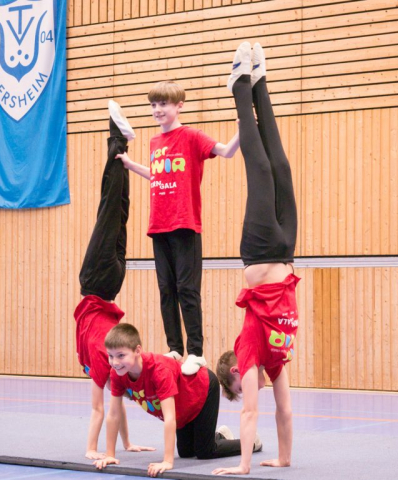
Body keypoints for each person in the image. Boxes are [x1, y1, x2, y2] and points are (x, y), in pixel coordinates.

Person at [212, 42, 299, 476]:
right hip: (287, 250)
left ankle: (239, 87)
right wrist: (283, 458)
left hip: (260, 250)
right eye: (244, 387)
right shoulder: (276, 361)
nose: (252, 388)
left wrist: (243, 466)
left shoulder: (247, 352)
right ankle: (260, 81)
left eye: (240, 384)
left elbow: (250, 413)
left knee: (261, 170)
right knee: (280, 166)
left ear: (234, 370)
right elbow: (284, 410)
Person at [116, 81, 241, 375]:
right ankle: (175, 347)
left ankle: (196, 352)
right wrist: (131, 165)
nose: (157, 110)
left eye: (163, 104)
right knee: (166, 289)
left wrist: (242, 131)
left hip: (185, 223)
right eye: (153, 105)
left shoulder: (191, 136)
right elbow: (157, 175)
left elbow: (226, 152)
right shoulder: (154, 142)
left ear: (179, 106)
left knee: (187, 289)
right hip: (159, 225)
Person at [74, 101, 149, 459]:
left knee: (119, 212)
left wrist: (127, 445)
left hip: (113, 283)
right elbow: (99, 408)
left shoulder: (115, 364)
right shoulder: (105, 362)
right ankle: (116, 139)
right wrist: (92, 449)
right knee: (109, 208)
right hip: (96, 283)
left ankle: (122, 145)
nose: (119, 363)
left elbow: (115, 405)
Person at [93, 323, 260, 477]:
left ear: (137, 350)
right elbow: (113, 414)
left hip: (203, 388)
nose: (115, 362)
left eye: (121, 355)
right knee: (186, 452)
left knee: (205, 452)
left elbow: (169, 418)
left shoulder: (159, 370)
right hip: (183, 405)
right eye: (110, 356)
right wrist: (110, 455)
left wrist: (167, 461)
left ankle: (252, 442)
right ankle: (220, 435)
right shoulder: (117, 373)